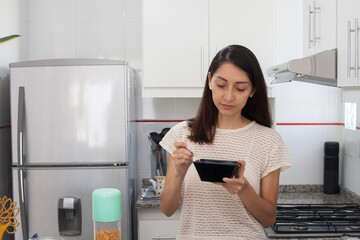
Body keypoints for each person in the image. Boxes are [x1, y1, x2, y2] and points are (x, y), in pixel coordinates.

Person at [159, 45, 291, 239]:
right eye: (221, 85)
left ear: (253, 89)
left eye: (240, 88)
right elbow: (167, 209)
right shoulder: (182, 134)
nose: (229, 96)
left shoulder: (269, 140)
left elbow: (269, 218)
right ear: (210, 80)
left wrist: (243, 189)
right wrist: (179, 173)